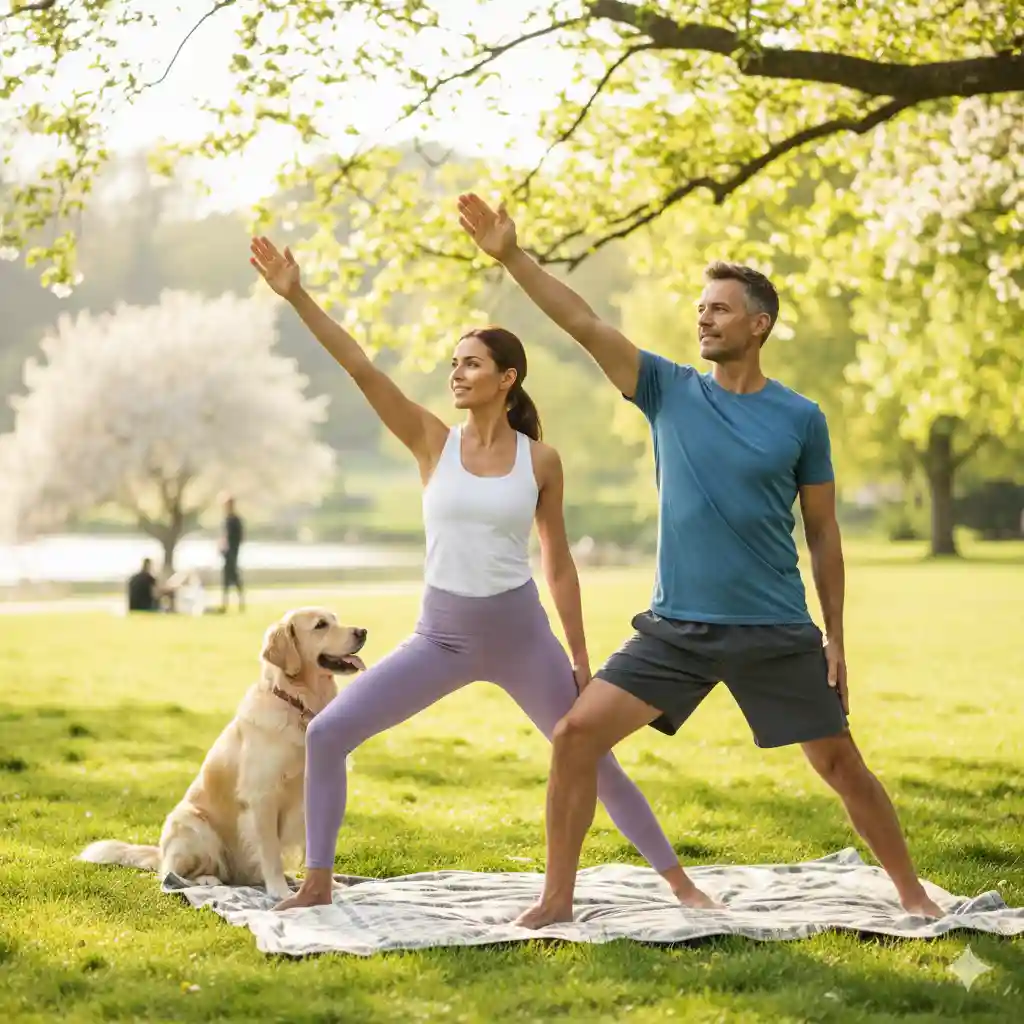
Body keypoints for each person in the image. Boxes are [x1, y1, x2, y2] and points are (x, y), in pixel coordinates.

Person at [457, 192, 945, 926]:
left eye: (719, 308)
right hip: (677, 630)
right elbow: (582, 322)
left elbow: (823, 532)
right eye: (700, 308)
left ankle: (913, 894)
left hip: (774, 627)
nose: (703, 319)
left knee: (840, 765)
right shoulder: (667, 390)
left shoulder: (800, 418)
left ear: (760, 323)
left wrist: (836, 634)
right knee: (575, 736)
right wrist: (512, 256)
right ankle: (556, 900)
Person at [248, 235, 716, 913]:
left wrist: (582, 658)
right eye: (453, 364)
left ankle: (681, 883)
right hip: (439, 637)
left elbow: (557, 560)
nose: (458, 374)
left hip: (523, 639)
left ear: (507, 378)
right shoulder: (431, 441)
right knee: (327, 732)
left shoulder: (542, 461)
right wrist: (296, 295)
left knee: (588, 755)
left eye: (472, 364)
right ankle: (317, 882)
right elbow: (361, 368)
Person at [220, 496, 245, 612]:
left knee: (234, 577)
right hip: (227, 553)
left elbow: (238, 537)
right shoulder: (227, 519)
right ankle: (225, 603)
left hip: (232, 552)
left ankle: (239, 603)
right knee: (227, 578)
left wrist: (231, 548)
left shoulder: (235, 520)